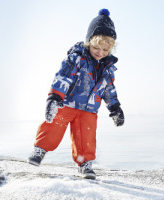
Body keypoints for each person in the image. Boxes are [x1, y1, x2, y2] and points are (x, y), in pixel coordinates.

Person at [27, 8, 124, 179]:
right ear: (89, 42)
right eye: (96, 48)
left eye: (105, 51)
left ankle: (85, 164)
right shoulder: (77, 58)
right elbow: (63, 77)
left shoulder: (107, 69)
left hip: (89, 109)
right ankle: (39, 149)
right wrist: (55, 96)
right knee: (53, 125)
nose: (100, 53)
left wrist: (115, 108)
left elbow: (109, 89)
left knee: (86, 136)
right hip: (68, 102)